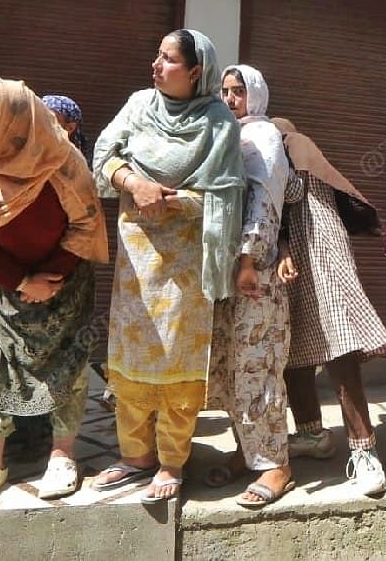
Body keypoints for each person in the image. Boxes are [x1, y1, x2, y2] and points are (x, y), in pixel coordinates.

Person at [92, 29, 243, 503]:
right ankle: (135, 455)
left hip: (186, 264)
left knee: (176, 356)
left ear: (195, 71)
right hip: (136, 258)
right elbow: (102, 155)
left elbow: (227, 193)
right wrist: (133, 182)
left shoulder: (218, 121)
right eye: (156, 55)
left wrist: (174, 202)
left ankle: (172, 460)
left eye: (168, 59)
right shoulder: (139, 105)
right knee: (133, 353)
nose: (155, 65)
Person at [0, 76, 108, 508]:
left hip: (64, 282)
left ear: (10, 128)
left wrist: (49, 278)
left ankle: (63, 455)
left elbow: (85, 223)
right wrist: (20, 281)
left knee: (68, 368)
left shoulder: (61, 161)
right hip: (4, 284)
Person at [272, 116, 386, 498]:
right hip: (287, 254)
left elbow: (287, 191)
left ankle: (365, 450)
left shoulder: (294, 146)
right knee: (291, 349)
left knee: (340, 347)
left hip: (321, 253)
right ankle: (311, 434)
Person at [205, 64, 298, 508]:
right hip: (228, 272)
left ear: (256, 94)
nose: (229, 99)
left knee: (257, 366)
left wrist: (248, 258)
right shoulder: (233, 136)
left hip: (253, 271)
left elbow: (263, 201)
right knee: (230, 364)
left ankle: (277, 464)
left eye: (238, 91)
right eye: (224, 91)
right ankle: (250, 452)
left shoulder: (262, 137)